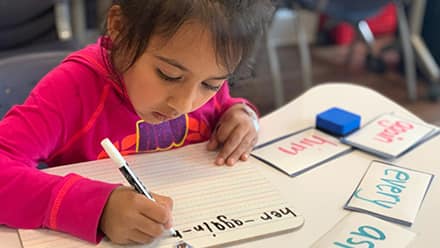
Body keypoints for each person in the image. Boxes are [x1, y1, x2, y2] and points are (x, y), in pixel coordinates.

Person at [0, 0, 274, 245]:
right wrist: (97, 208)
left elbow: (224, 105)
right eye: (168, 75)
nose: (184, 104)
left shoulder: (198, 78)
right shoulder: (73, 90)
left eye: (211, 84)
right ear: (119, 27)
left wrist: (241, 115)